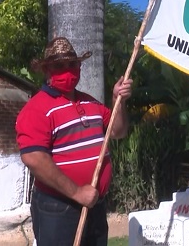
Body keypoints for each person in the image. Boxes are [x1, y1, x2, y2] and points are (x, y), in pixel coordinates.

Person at [16, 37, 133, 245]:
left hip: (94, 204)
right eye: (59, 66)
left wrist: (118, 101)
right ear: (47, 70)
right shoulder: (37, 108)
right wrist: (78, 192)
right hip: (59, 207)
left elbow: (118, 131)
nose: (67, 70)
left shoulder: (90, 102)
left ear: (79, 66)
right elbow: (34, 158)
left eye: (72, 64)